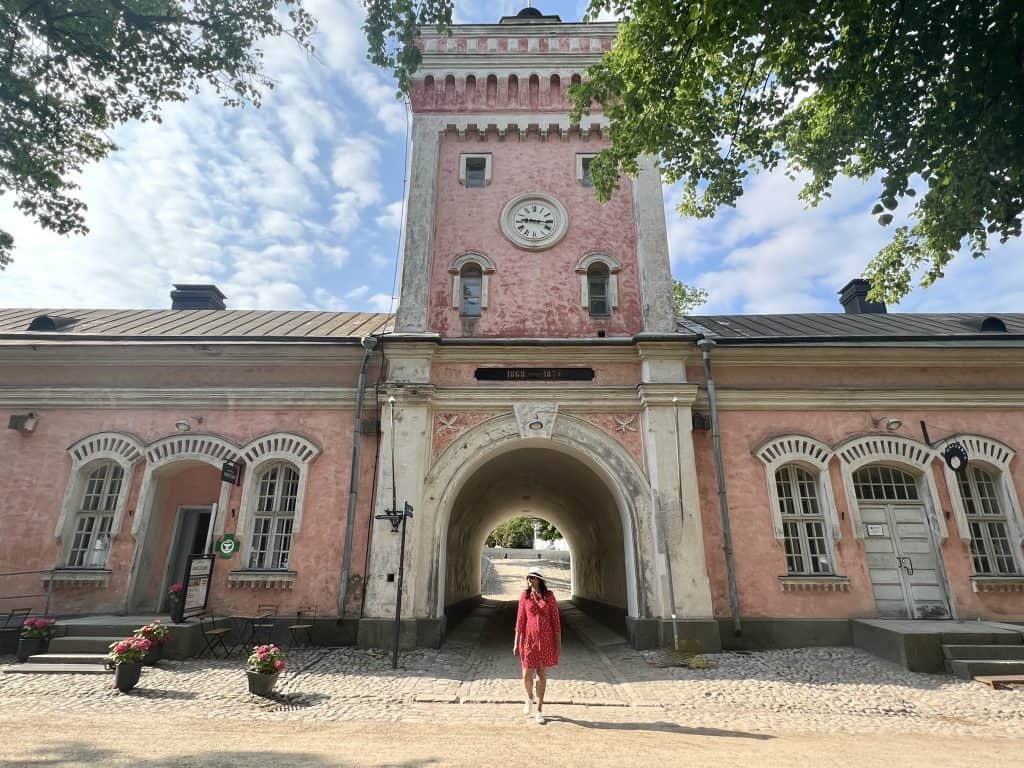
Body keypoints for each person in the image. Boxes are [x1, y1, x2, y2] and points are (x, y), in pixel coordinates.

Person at [513, 567, 561, 724]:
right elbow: (520, 620)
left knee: (542, 675)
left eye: (532, 578)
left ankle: (539, 710)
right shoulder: (525, 596)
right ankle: (529, 698)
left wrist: (558, 642)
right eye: (528, 578)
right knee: (527, 674)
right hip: (529, 640)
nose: (529, 581)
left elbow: (556, 620)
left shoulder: (549, 596)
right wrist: (516, 642)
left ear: (539, 580)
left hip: (546, 640)